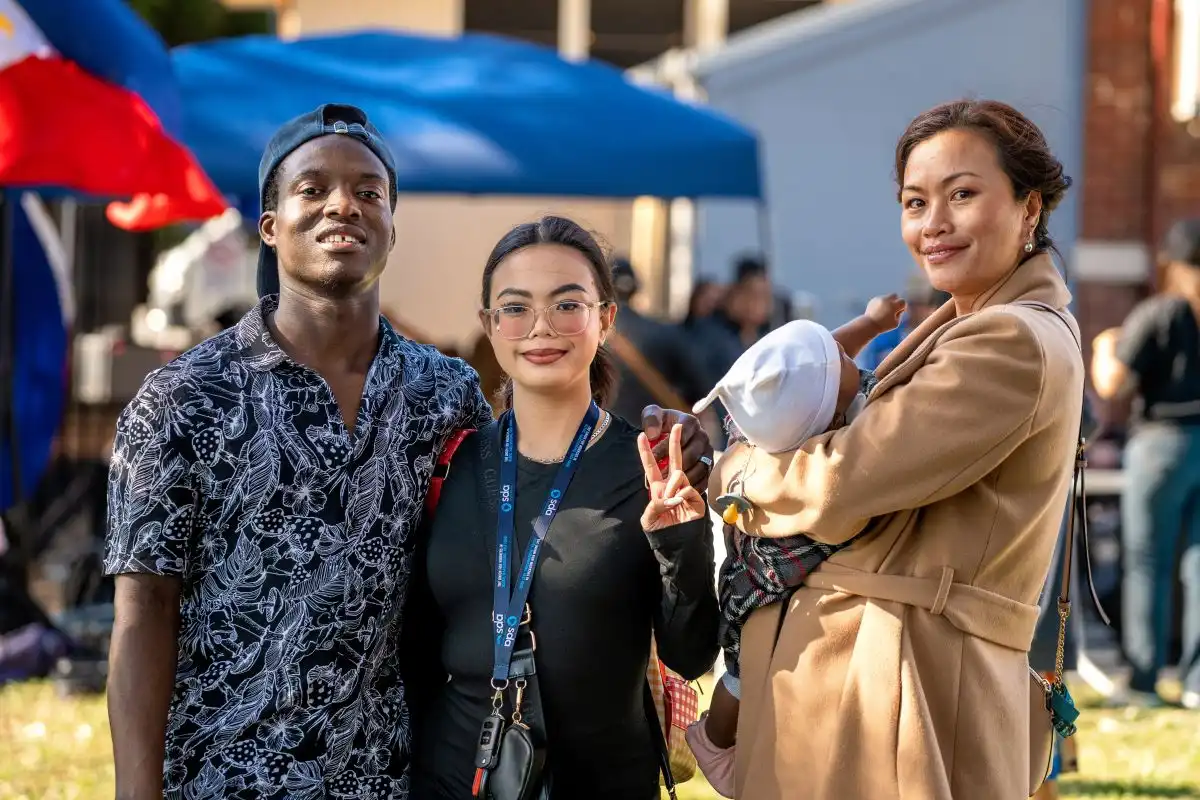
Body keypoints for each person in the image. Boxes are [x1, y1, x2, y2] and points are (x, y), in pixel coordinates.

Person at [102, 105, 713, 800]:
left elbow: (529, 491)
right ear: (269, 226)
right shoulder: (182, 399)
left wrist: (662, 460)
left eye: (369, 192)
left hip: (390, 777)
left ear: (393, 227)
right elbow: (144, 610)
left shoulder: (443, 393)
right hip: (224, 777)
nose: (344, 206)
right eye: (312, 189)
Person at [709, 99, 1084, 799]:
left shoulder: (1011, 340)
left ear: (1029, 207)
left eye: (963, 194)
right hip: (870, 675)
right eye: (916, 202)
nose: (932, 223)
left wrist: (732, 469)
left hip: (903, 684)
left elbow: (845, 478)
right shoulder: (975, 322)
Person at [407, 216, 720, 800]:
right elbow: (417, 649)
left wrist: (681, 541)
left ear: (606, 319)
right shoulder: (451, 463)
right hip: (454, 777)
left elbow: (690, 651)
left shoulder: (647, 468)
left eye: (567, 304)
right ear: (489, 325)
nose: (541, 328)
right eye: (516, 307)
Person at [682, 295, 906, 797]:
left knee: (740, 664)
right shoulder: (831, 449)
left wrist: (870, 324)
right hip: (775, 567)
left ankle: (722, 732)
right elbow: (828, 367)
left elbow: (821, 360)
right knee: (740, 673)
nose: (850, 358)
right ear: (827, 419)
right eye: (845, 363)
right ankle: (715, 738)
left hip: (746, 546)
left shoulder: (770, 415)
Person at [1091, 217, 1200, 711]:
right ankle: (1197, 681)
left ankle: (1142, 681)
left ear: (1172, 263)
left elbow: (1114, 385)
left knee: (1146, 563)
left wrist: (1102, 347)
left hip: (1161, 444)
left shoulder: (1159, 313)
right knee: (1199, 565)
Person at [607, 257, 708, 424]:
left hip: (599, 437)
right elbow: (698, 388)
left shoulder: (586, 337)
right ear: (636, 288)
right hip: (653, 437)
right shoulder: (664, 333)